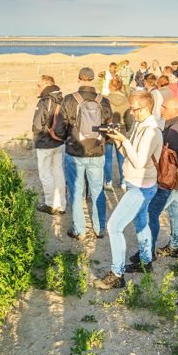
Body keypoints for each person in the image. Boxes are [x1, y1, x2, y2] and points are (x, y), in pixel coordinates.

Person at [95, 91, 163, 290]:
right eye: (130, 109)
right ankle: (145, 261)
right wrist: (118, 140)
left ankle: (117, 274)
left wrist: (124, 141)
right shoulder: (140, 125)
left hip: (141, 187)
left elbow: (140, 162)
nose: (131, 113)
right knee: (142, 223)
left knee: (114, 226)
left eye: (134, 109)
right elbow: (128, 154)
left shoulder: (151, 131)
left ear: (145, 108)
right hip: (138, 184)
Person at [56, 67, 113, 240]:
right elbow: (109, 127)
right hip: (97, 151)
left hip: (75, 151)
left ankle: (79, 230)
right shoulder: (103, 101)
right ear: (93, 79)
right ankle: (100, 228)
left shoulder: (69, 99)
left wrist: (67, 138)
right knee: (97, 190)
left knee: (76, 191)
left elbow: (60, 128)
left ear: (79, 79)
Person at [145, 97, 178, 259]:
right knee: (174, 211)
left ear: (176, 110)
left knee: (151, 214)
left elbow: (175, 160)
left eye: (164, 107)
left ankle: (147, 254)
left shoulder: (174, 130)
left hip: (172, 182)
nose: (161, 109)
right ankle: (175, 246)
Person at [31, 75, 66, 215]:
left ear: (45, 85)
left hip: (45, 142)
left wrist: (35, 133)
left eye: (38, 85)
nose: (36, 87)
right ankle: (61, 204)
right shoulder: (61, 98)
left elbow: (38, 124)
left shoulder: (45, 100)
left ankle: (50, 204)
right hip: (59, 141)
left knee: (46, 174)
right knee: (58, 172)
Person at [104, 77, 133, 191]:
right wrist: (127, 128)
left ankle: (108, 181)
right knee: (121, 157)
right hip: (121, 129)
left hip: (108, 129)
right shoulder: (126, 100)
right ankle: (123, 181)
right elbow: (129, 117)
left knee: (108, 157)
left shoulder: (105, 99)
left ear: (110, 86)